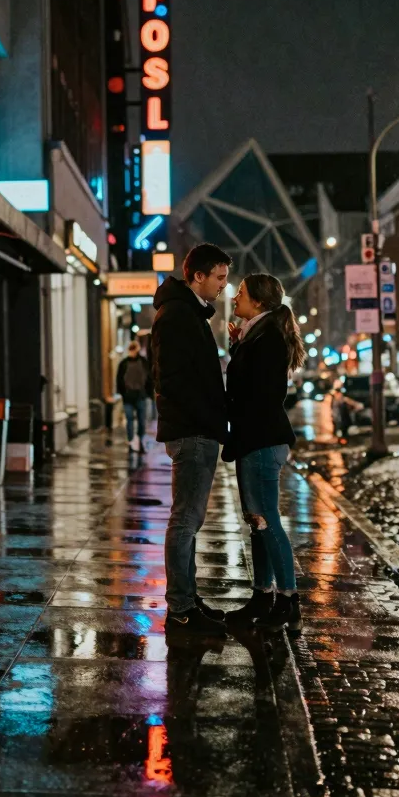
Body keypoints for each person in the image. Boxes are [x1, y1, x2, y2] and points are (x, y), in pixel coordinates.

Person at [151, 242, 233, 636]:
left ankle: (188, 599)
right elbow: (174, 381)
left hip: (196, 429)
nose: (222, 286)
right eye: (218, 277)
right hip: (193, 432)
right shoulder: (178, 316)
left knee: (189, 520)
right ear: (197, 275)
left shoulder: (186, 313)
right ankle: (181, 608)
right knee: (184, 521)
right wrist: (207, 420)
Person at [222, 273, 304, 633]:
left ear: (257, 300)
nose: (234, 297)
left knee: (266, 519)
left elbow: (258, 391)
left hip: (261, 440)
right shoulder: (259, 332)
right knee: (257, 522)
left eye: (239, 292)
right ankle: (261, 595)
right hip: (253, 439)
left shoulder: (267, 336)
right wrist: (238, 344)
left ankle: (288, 601)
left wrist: (238, 349)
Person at [116, 340, 153, 452]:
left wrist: (148, 393)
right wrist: (122, 393)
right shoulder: (124, 363)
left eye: (134, 349)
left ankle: (140, 441)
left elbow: (149, 378)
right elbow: (119, 379)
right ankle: (131, 442)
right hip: (128, 397)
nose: (132, 352)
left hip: (140, 396)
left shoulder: (143, 362)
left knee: (141, 421)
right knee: (129, 419)